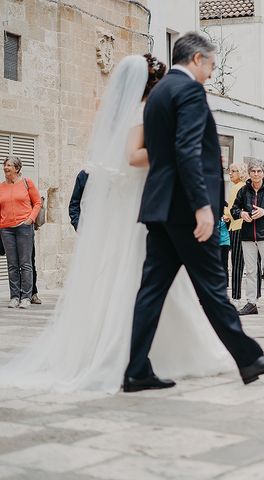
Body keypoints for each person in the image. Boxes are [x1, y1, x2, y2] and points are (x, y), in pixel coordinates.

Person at [0, 54, 246, 393]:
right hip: (137, 212)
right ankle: (139, 360)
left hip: (143, 207)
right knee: (138, 281)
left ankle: (152, 359)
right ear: (152, 84)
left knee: (154, 286)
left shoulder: (137, 112)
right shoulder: (143, 111)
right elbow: (133, 157)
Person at [125, 34, 264, 392]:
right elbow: (187, 152)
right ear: (197, 59)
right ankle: (249, 358)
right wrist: (203, 207)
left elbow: (163, 153)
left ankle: (136, 370)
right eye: (212, 66)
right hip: (185, 209)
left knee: (151, 290)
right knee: (213, 286)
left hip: (160, 207)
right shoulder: (188, 91)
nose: (212, 74)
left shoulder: (156, 95)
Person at [231, 158, 264, 316]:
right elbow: (234, 209)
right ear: (249, 173)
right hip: (247, 236)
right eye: (253, 171)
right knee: (250, 271)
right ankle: (251, 303)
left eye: (259, 171)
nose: (256, 174)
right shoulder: (244, 190)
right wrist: (241, 213)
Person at [0, 155, 42, 309]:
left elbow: (37, 202)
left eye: (9, 165)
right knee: (12, 265)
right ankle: (14, 297)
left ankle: (26, 297)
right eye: (5, 165)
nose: (5, 167)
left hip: (24, 227)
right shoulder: (1, 187)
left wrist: (30, 219)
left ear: (17, 169)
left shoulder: (26, 183)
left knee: (25, 264)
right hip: (6, 229)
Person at [224, 162, 261, 306]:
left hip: (237, 227)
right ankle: (256, 295)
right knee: (254, 263)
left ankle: (236, 296)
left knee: (237, 264)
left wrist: (224, 212)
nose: (230, 173)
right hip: (252, 228)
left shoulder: (236, 188)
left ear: (240, 172)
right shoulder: (249, 188)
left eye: (233, 171)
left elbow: (232, 211)